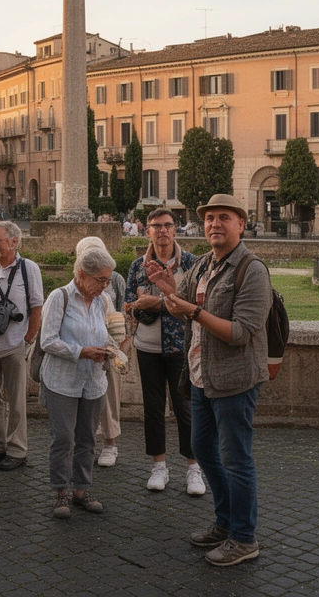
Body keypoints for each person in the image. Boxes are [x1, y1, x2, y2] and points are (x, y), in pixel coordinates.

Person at [153, 193, 273, 567]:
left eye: (224, 218)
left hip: (235, 380)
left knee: (236, 458)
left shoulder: (251, 270)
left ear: (241, 223)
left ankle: (243, 537)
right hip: (202, 376)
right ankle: (224, 522)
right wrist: (168, 290)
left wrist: (194, 311)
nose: (215, 224)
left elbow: (241, 332)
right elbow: (182, 301)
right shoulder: (204, 264)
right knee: (202, 449)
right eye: (209, 219)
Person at [125, 207, 204, 495]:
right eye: (156, 226)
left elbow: (197, 306)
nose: (162, 230)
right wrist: (136, 306)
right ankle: (159, 466)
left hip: (182, 347)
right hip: (147, 347)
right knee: (153, 409)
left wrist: (155, 303)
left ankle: (193, 468)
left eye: (167, 225)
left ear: (175, 229)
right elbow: (126, 305)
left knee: (186, 410)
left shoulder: (192, 263)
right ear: (147, 231)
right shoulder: (137, 266)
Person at [40, 247, 117, 519]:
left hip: (93, 381)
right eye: (100, 280)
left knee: (87, 438)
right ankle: (60, 491)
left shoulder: (103, 301)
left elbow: (110, 335)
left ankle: (82, 490)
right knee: (63, 438)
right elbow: (47, 341)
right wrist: (82, 352)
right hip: (62, 381)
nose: (105, 285)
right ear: (82, 275)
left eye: (108, 280)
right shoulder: (59, 297)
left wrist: (111, 351)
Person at [0, 220, 43, 472]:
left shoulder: (28, 268)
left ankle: (17, 449)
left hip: (15, 344)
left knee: (16, 400)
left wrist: (27, 340)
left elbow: (36, 307)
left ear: (14, 242)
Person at [75, 236, 128, 467]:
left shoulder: (115, 279)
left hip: (109, 350)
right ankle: (85, 445)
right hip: (82, 351)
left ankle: (110, 444)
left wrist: (120, 349)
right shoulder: (75, 285)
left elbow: (123, 314)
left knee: (110, 399)